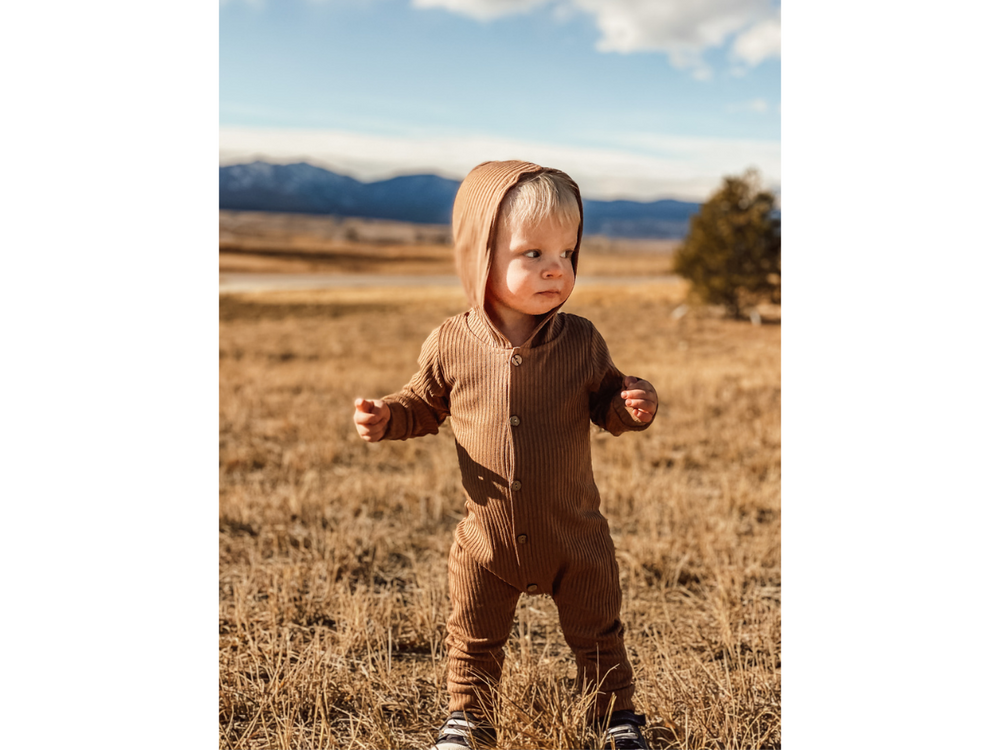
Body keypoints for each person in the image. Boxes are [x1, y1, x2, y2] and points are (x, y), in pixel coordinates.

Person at [353, 160, 658, 750]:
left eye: (568, 253)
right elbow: (424, 403)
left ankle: (616, 716)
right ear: (480, 256)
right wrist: (389, 417)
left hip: (575, 534)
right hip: (487, 538)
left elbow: (608, 401)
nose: (556, 269)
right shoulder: (451, 342)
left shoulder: (581, 341)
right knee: (473, 634)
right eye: (533, 253)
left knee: (598, 631)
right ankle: (469, 719)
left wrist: (631, 405)